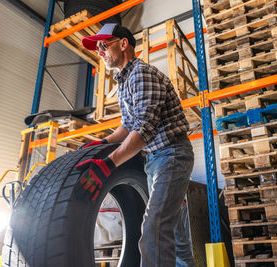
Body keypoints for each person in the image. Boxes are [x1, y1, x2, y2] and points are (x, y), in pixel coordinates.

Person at [76, 23, 196, 267]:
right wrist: (101, 144)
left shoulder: (141, 73)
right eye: (98, 47)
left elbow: (144, 127)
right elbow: (128, 125)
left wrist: (108, 164)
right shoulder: (125, 81)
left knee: (154, 227)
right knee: (173, 229)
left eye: (104, 45)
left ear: (123, 44)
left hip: (171, 155)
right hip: (156, 160)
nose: (99, 51)